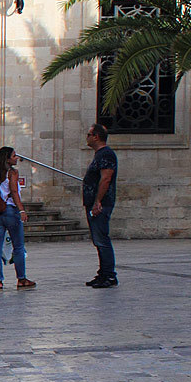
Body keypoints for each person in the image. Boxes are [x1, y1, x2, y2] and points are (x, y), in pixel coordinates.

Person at [0, 147, 36, 291]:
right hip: (10, 211)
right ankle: (21, 278)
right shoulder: (12, 173)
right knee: (18, 246)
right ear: (7, 159)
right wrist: (21, 210)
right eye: (14, 156)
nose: (16, 158)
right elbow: (14, 192)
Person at [83, 123, 118, 288]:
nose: (87, 137)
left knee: (102, 239)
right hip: (93, 203)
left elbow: (106, 179)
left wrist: (98, 201)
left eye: (89, 134)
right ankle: (103, 273)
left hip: (100, 204)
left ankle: (109, 275)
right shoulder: (99, 155)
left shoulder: (106, 155)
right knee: (98, 239)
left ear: (96, 136)